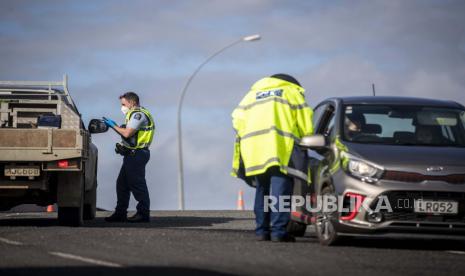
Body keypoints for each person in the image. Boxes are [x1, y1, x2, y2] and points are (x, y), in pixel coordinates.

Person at [231, 74, 314, 242]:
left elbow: (236, 120)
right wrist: (307, 137)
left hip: (254, 149)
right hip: (279, 147)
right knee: (280, 189)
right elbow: (305, 120)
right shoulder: (290, 91)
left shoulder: (251, 95)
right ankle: (278, 231)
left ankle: (262, 230)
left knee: (262, 188)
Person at [103, 92, 155, 223]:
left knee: (137, 185)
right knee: (122, 184)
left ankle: (143, 214)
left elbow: (127, 133)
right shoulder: (133, 115)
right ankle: (120, 213)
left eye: (123, 104)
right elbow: (131, 137)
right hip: (132, 153)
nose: (122, 107)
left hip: (137, 154)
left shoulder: (138, 115)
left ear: (132, 103)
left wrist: (113, 125)